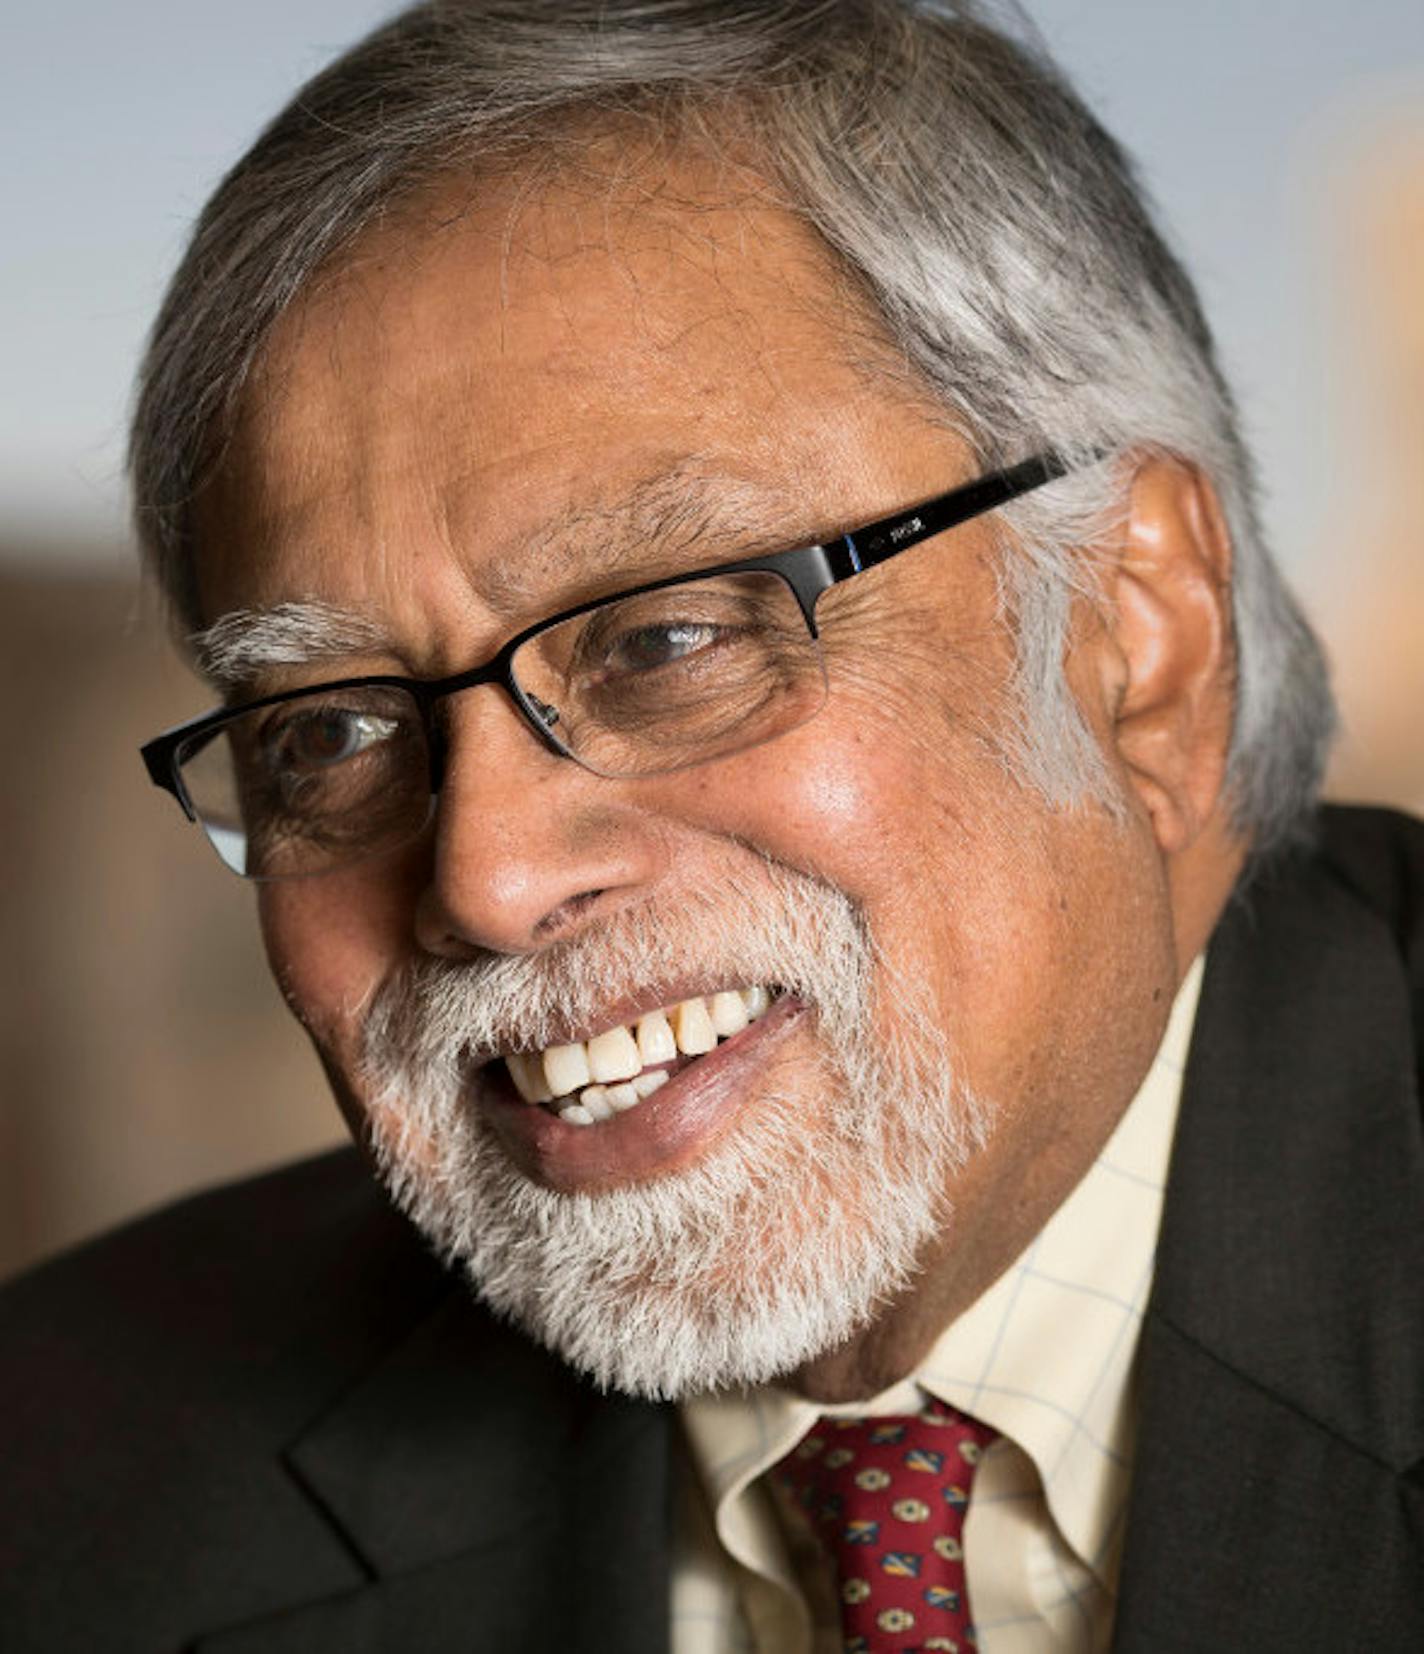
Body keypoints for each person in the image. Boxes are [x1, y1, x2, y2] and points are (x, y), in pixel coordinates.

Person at [3, 2, 1421, 1648]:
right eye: (327, 732)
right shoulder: (60, 1493)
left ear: (1138, 626)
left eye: (662, 640)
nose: (487, 875)